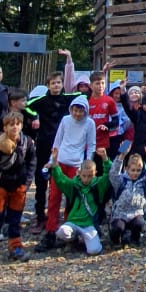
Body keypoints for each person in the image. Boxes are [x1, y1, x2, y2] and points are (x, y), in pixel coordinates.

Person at [38, 95, 97, 252]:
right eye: (75, 110)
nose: (77, 114)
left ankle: (69, 232)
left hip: (77, 165)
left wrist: (87, 166)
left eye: (81, 111)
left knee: (72, 200)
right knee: (54, 197)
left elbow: (91, 145)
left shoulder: (90, 123)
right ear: (71, 109)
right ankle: (51, 231)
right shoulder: (65, 120)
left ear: (86, 111)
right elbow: (57, 141)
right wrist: (52, 161)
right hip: (61, 162)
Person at [0, 111, 36, 266]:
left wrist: (26, 184)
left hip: (19, 187)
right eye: (11, 125)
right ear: (5, 127)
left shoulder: (27, 143)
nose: (14, 127)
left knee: (15, 220)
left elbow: (32, 163)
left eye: (17, 124)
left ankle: (15, 247)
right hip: (1, 187)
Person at [29, 72, 72, 226]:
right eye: (53, 83)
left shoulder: (67, 99)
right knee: (41, 179)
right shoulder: (41, 100)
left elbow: (84, 96)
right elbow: (26, 106)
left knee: (62, 179)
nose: (56, 85)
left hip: (62, 145)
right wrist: (35, 116)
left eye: (58, 82)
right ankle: (40, 213)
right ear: (48, 85)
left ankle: (65, 214)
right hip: (44, 143)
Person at [51, 150, 113, 255]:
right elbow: (61, 179)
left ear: (95, 174)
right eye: (84, 175)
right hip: (73, 222)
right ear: (79, 173)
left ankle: (87, 239)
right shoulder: (74, 185)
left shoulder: (98, 185)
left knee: (94, 250)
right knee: (62, 232)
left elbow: (108, 174)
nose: (86, 179)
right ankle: (73, 240)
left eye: (90, 176)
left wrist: (105, 159)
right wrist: (55, 162)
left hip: (89, 224)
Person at [108, 142, 146, 244]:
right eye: (133, 170)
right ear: (127, 169)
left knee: (139, 224)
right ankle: (116, 238)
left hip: (136, 213)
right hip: (120, 214)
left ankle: (135, 238)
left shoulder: (144, 181)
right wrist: (122, 155)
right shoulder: (121, 181)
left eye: (138, 170)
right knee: (118, 228)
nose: (135, 173)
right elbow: (113, 173)